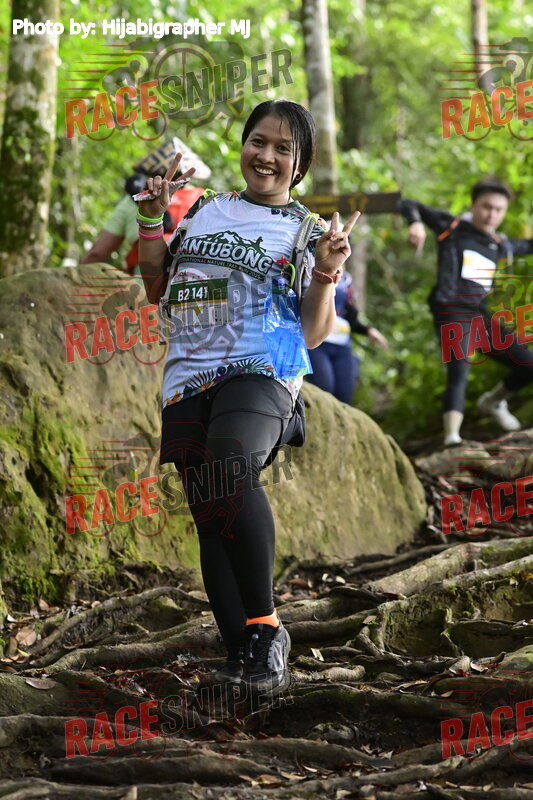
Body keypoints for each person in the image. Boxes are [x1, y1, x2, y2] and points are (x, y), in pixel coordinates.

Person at [136, 100, 359, 699]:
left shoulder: (309, 231)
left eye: (283, 149)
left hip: (263, 369)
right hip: (188, 376)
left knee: (231, 467)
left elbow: (314, 333)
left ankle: (267, 629)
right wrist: (152, 221)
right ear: (243, 145)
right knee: (211, 516)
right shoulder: (204, 210)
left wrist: (325, 272)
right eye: (258, 141)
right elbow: (156, 286)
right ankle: (245, 661)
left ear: (300, 165)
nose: (266, 156)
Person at [398, 178, 533, 447]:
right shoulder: (453, 227)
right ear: (474, 205)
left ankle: (493, 402)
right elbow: (408, 203)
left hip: (478, 313)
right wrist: (415, 223)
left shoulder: (500, 244)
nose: (491, 214)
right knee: (459, 365)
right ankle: (452, 437)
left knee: (528, 363)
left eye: (498, 209)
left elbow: (529, 245)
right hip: (450, 307)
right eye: (486, 207)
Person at [81, 138, 209, 274]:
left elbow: (97, 254)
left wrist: (75, 279)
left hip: (146, 281)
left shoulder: (136, 199)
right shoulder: (205, 199)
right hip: (194, 279)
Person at [306, 270, 388, 403]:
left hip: (342, 346)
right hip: (317, 344)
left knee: (344, 394)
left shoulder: (346, 279)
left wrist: (368, 330)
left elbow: (351, 317)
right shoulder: (309, 268)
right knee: (324, 391)